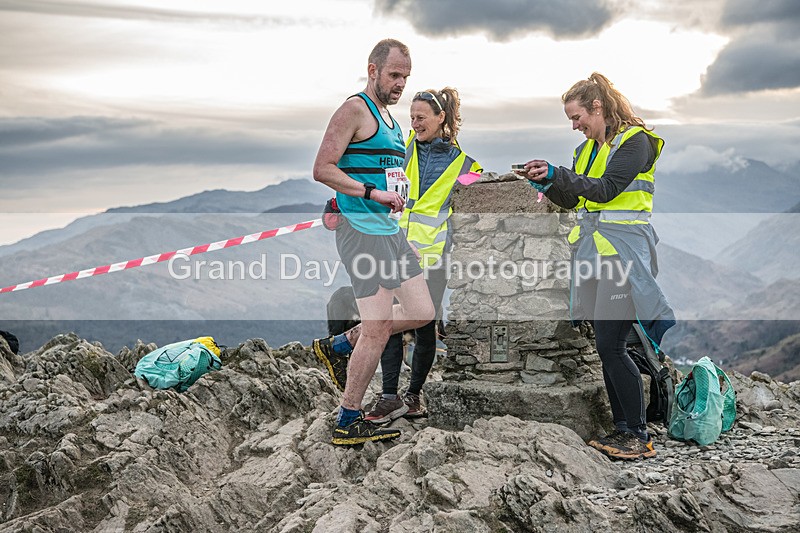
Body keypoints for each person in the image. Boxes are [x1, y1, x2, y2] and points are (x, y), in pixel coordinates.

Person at [515, 72, 675, 461]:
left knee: (611, 345)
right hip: (594, 254)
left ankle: (637, 434)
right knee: (608, 345)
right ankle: (624, 428)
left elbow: (605, 190)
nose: (575, 126)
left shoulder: (635, 142)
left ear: (598, 107)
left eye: (577, 117)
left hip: (623, 255)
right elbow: (576, 200)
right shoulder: (587, 150)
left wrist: (558, 173)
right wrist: (546, 183)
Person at [311, 39, 435, 446]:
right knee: (379, 328)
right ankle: (348, 418)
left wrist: (401, 233)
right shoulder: (354, 109)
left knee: (421, 311)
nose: (400, 84)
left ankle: (341, 344)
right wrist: (369, 193)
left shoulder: (391, 121)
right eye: (394, 75)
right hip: (361, 231)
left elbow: (389, 181)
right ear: (373, 70)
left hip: (389, 232)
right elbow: (323, 168)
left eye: (405, 77)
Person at [364, 87, 481, 423]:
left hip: (434, 260)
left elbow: (473, 214)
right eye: (412, 117)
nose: (414, 123)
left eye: (421, 117)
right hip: (395, 250)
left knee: (425, 328)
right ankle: (389, 397)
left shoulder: (468, 167)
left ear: (441, 117)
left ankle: (413, 396)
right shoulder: (401, 151)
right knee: (388, 321)